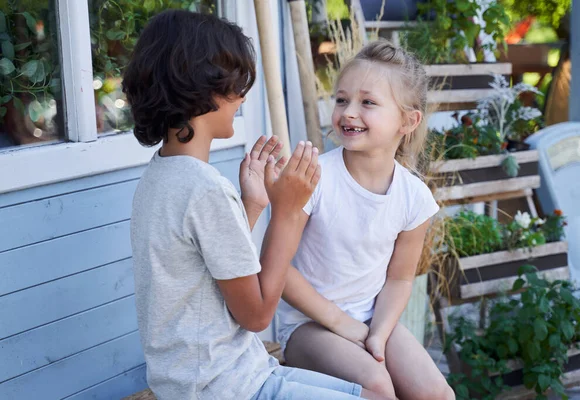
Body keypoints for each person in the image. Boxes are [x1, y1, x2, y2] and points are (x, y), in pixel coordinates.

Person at [123, 9, 390, 400]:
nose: (242, 96)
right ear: (199, 88)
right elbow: (258, 314)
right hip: (224, 388)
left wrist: (250, 205)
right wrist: (285, 212)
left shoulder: (162, 174)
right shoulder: (204, 188)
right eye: (232, 84)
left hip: (217, 376)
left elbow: (209, 271)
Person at [277, 39, 455, 400]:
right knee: (375, 387)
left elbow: (400, 279)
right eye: (342, 100)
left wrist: (378, 333)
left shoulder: (414, 197)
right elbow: (279, 269)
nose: (349, 112)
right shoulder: (314, 179)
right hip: (306, 326)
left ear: (408, 120)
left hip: (370, 319)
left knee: (437, 394)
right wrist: (343, 324)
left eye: (368, 102)